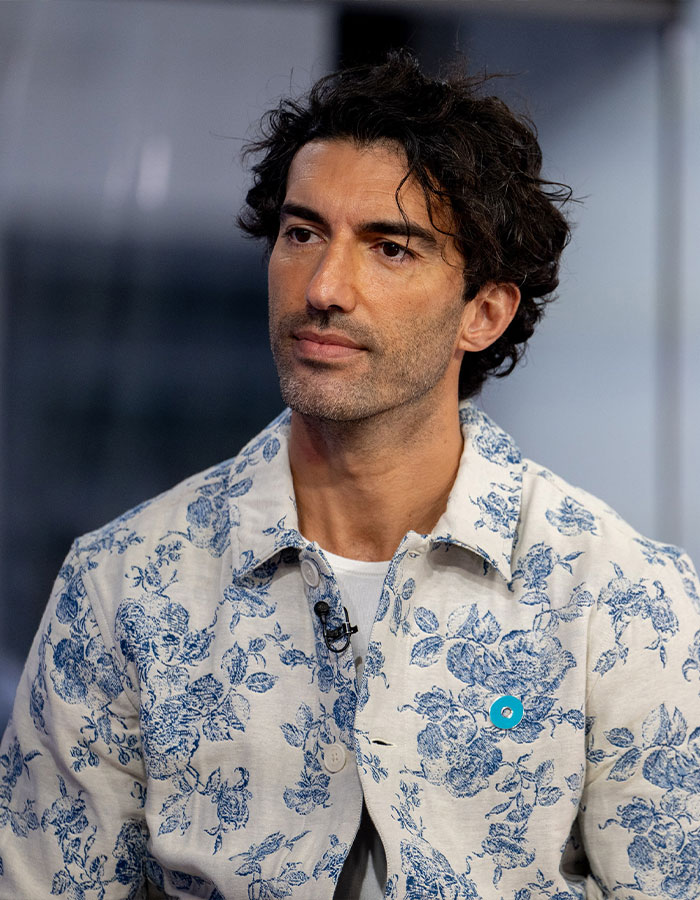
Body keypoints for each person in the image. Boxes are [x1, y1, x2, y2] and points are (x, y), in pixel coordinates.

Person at [1, 51, 699, 900]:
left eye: (391, 248)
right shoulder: (125, 585)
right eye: (302, 234)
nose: (325, 287)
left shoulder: (624, 602)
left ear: (484, 312)